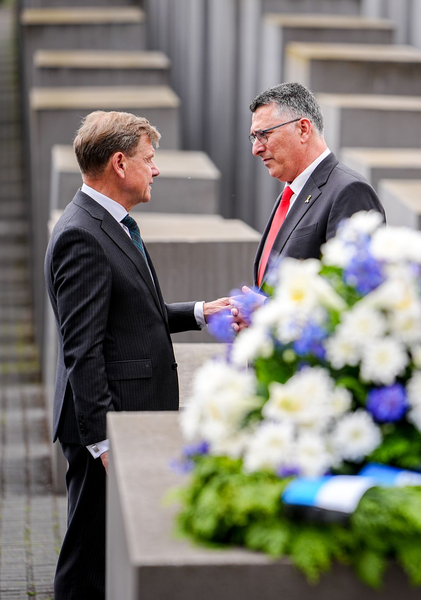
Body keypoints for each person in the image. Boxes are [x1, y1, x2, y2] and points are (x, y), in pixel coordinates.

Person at [45, 111, 231, 600]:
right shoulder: (82, 235)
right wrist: (106, 443)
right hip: (108, 427)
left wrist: (198, 312)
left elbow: (131, 316)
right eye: (150, 159)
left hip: (123, 420)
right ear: (120, 163)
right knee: (87, 561)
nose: (158, 169)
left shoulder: (111, 223)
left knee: (103, 554)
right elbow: (81, 351)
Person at [248, 82, 385, 289]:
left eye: (263, 134)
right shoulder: (292, 193)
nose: (256, 149)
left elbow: (352, 291)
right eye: (254, 137)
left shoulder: (349, 191)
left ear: (303, 129)